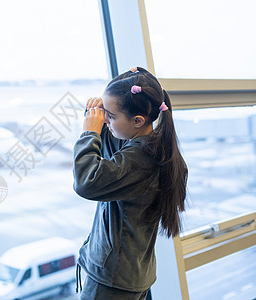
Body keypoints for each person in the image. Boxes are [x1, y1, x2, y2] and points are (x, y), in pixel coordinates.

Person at [72, 67, 188, 299]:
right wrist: (98, 116)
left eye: (110, 116)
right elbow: (116, 148)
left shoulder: (141, 160)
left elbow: (88, 182)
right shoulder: (151, 145)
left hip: (113, 279)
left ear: (138, 120)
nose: (105, 120)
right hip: (128, 274)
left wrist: (89, 134)